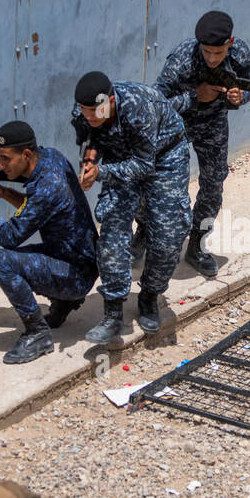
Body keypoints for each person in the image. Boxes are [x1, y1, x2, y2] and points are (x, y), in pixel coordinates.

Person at [0, 120, 98, 364]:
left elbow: (9, 237)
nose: (1, 165)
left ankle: (37, 333)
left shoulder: (49, 185)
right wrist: (6, 193)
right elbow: (40, 209)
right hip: (71, 258)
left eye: (6, 158)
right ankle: (63, 301)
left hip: (76, 273)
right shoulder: (51, 158)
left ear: (26, 154)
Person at [69, 71, 192, 344]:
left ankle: (149, 295)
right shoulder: (84, 112)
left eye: (95, 111)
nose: (89, 116)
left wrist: (100, 173)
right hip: (118, 155)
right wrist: (88, 162)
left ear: (111, 101)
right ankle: (112, 313)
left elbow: (142, 166)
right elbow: (89, 140)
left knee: (168, 234)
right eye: (84, 111)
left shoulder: (138, 109)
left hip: (163, 157)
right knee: (112, 227)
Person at [151, 9, 250, 277]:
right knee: (162, 183)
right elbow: (155, 106)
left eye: (217, 54)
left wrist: (238, 98)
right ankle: (144, 233)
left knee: (214, 184)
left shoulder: (240, 54)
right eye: (206, 52)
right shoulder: (181, 60)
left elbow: (248, 91)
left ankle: (197, 245)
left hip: (213, 124)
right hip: (178, 124)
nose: (211, 58)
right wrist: (195, 96)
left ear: (229, 43)